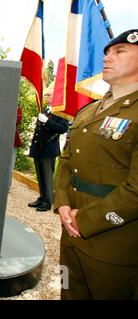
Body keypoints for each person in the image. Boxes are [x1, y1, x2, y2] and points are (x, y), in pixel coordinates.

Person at [53, 29, 138, 300]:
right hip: (71, 238)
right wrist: (63, 204)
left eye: (120, 51)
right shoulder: (88, 111)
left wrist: (87, 220)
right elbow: (66, 161)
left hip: (113, 243)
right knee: (68, 293)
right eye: (107, 52)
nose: (107, 57)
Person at [27, 87, 69, 211]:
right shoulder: (45, 110)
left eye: (49, 95)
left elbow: (63, 128)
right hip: (39, 148)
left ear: (55, 97)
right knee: (40, 175)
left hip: (49, 148)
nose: (46, 97)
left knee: (47, 176)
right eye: (45, 95)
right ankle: (42, 197)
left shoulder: (60, 111)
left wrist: (47, 121)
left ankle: (48, 201)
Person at [9, 105, 23, 189]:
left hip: (12, 141)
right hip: (0, 141)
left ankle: (7, 186)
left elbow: (16, 121)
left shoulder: (17, 108)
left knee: (10, 165)